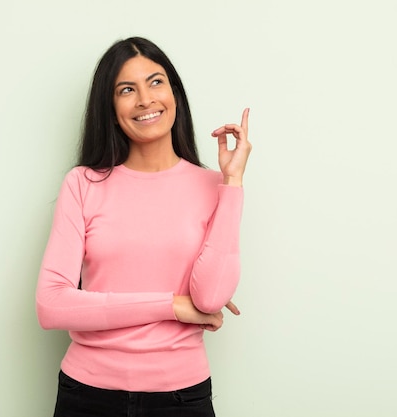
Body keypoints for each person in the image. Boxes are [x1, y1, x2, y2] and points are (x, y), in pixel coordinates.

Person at [36, 36, 251, 417]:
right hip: (87, 395)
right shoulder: (83, 184)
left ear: (175, 94)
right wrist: (172, 306)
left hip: (181, 398)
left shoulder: (211, 186)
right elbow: (52, 305)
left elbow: (210, 299)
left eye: (155, 82)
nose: (145, 100)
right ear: (110, 106)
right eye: (126, 89)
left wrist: (232, 182)